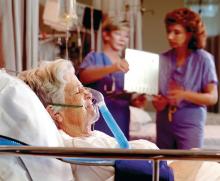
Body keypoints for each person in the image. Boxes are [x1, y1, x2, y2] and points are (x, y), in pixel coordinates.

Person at [19, 59, 220, 181]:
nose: (89, 95)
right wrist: (191, 161)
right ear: (56, 114)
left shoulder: (88, 140)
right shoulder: (76, 148)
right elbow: (147, 176)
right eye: (78, 91)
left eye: (85, 88)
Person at [152, 8, 218, 149]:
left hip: (191, 122)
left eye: (176, 32)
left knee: (188, 167)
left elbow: (213, 97)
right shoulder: (162, 59)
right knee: (164, 168)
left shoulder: (203, 59)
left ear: (190, 34)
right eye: (168, 31)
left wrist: (184, 95)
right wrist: (159, 103)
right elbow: (158, 97)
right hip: (164, 123)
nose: (170, 36)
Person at [78, 16, 147, 139]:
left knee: (119, 152)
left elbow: (124, 94)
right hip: (99, 118)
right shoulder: (94, 57)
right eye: (118, 33)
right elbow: (84, 77)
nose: (122, 39)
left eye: (126, 36)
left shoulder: (127, 64)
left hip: (121, 118)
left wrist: (135, 101)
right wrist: (112, 68)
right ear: (106, 35)